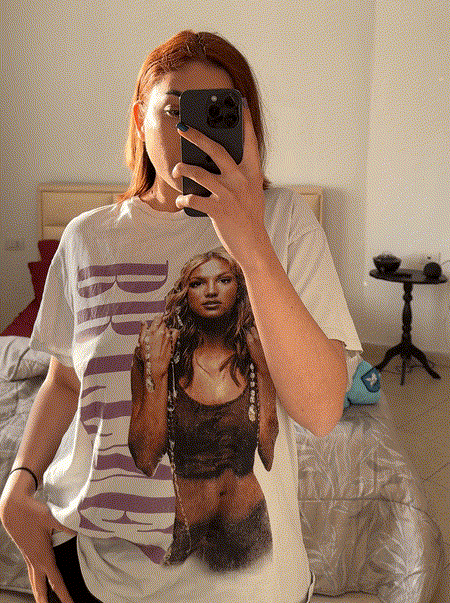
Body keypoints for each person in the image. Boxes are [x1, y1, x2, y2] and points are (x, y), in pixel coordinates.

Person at [0, 30, 362, 603]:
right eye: (174, 111)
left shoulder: (285, 223)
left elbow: (320, 411)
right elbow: (65, 380)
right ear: (139, 119)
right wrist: (19, 483)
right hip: (101, 569)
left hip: (254, 585)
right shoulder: (87, 238)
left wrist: (250, 240)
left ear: (247, 125)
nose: (193, 133)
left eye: (217, 112)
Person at [128, 248, 278, 570]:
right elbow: (145, 460)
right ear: (185, 293)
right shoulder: (158, 353)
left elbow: (267, 455)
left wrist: (265, 372)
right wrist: (156, 374)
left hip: (250, 525)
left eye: (223, 280)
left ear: (239, 288)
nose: (211, 291)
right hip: (188, 530)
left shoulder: (255, 354)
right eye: (198, 283)